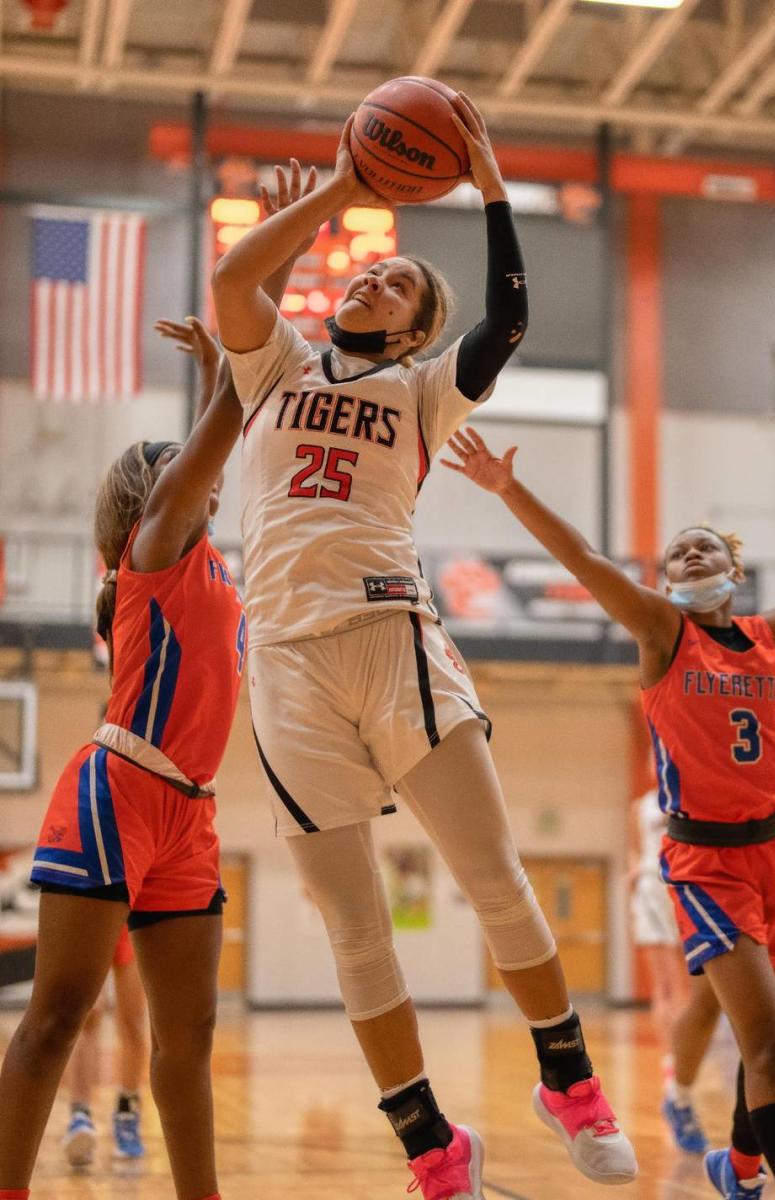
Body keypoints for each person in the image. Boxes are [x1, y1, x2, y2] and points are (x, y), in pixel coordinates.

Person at [211, 99, 637, 1198]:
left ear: (411, 331)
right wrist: (344, 190)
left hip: (392, 630)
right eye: (368, 274)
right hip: (286, 663)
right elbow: (230, 289)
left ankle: (570, 1082)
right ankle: (432, 1152)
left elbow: (503, 324)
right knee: (355, 928)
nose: (373, 281)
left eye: (397, 284)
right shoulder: (277, 368)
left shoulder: (422, 389)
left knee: (494, 879)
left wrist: (490, 181)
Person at [442, 424, 775, 1200]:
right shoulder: (663, 630)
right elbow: (583, 559)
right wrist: (508, 488)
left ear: (733, 568)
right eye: (677, 551)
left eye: (704, 548)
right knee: (770, 1049)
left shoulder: (768, 637)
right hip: (706, 864)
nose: (689, 555)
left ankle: (739, 1169)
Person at [0, 189, 303, 1200]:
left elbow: (235, 430)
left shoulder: (215, 560)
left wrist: (225, 366)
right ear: (149, 498)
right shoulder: (155, 547)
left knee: (190, 1033)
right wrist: (270, 292)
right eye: (175, 465)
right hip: (115, 791)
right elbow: (229, 425)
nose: (199, 468)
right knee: (56, 1018)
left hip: (191, 813)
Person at [628, 787, 719, 1153]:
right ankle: (671, 1059)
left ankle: (679, 1059)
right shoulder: (642, 803)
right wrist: (634, 868)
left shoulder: (690, 791)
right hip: (651, 886)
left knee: (686, 985)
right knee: (664, 986)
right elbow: (636, 848)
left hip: (684, 884)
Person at [62, 925, 148, 1166]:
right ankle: (80, 1115)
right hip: (93, 901)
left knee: (133, 1019)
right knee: (89, 1012)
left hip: (133, 912)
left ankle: (127, 1113)